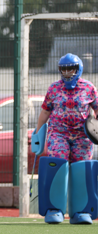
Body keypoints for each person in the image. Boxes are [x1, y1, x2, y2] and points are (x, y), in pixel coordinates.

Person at [34, 53, 98, 224]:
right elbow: (46, 111)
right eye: (64, 69)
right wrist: (37, 132)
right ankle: (54, 209)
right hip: (58, 133)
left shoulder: (89, 88)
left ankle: (81, 211)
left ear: (79, 69)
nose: (68, 72)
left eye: (72, 68)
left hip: (82, 136)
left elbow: (97, 109)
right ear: (60, 70)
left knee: (81, 169)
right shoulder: (54, 88)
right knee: (58, 163)